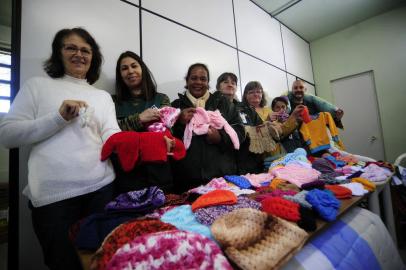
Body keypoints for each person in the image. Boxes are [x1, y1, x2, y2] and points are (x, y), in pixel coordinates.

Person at [0, 28, 120, 270]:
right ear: (58, 53)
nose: (79, 54)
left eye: (85, 50)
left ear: (92, 57)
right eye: (71, 48)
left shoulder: (103, 97)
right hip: (54, 199)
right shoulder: (36, 86)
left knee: (103, 262)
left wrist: (148, 142)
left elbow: (112, 136)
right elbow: (8, 135)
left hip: (101, 190)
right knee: (63, 263)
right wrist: (58, 117)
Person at [171, 64, 245, 192]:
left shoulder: (223, 103)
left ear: (208, 82)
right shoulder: (176, 106)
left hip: (222, 179)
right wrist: (180, 122)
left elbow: (240, 132)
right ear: (187, 80)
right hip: (186, 182)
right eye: (194, 78)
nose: (198, 82)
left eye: (203, 79)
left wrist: (220, 137)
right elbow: (168, 140)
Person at [112, 51, 174, 194]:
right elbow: (111, 131)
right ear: (120, 75)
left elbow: (171, 130)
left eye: (134, 66)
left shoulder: (161, 99)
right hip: (126, 172)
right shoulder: (113, 102)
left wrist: (167, 137)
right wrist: (139, 119)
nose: (130, 71)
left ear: (142, 69)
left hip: (158, 171)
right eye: (124, 68)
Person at [215, 73, 263, 174]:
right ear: (218, 86)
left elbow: (262, 129)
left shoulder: (247, 108)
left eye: (233, 83)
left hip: (250, 165)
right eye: (225, 82)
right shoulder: (212, 107)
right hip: (222, 166)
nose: (230, 85)